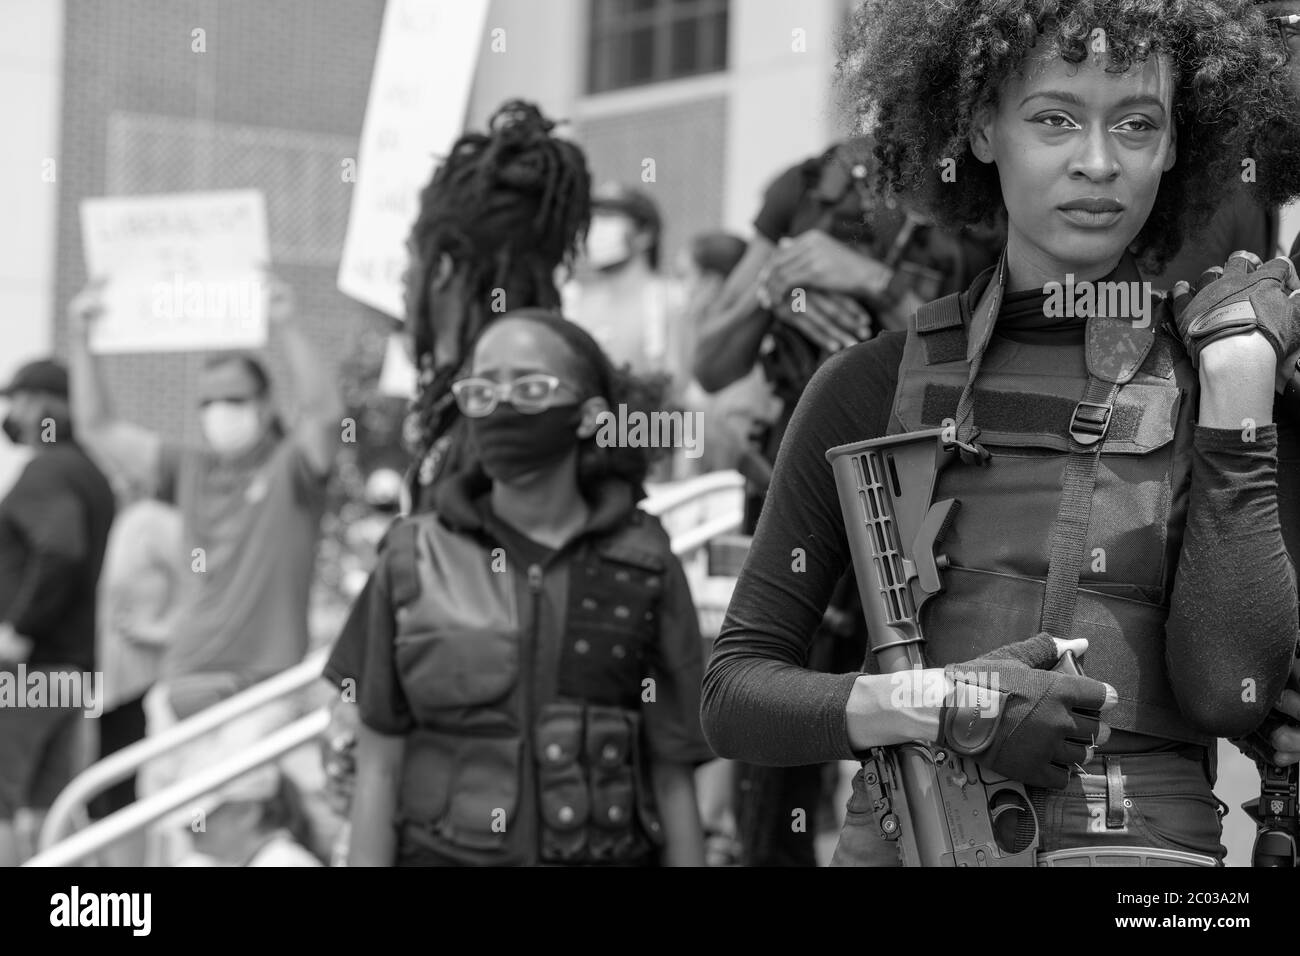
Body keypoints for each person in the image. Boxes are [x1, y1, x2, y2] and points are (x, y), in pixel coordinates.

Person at [702, 0, 1300, 867]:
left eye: (1137, 124)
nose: (1097, 163)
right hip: (912, 835)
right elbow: (736, 693)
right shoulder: (873, 385)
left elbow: (1225, 691)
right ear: (982, 128)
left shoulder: (1228, 376)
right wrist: (944, 703)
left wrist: (1241, 381)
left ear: (1175, 146)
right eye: (1053, 119)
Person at [347, 309, 710, 866]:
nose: (501, 405)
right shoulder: (410, 555)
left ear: (589, 416)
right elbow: (377, 766)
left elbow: (672, 772)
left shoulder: (645, 560)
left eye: (531, 387)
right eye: (481, 389)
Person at [322, 100, 593, 815]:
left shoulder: (500, 429)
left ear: (443, 267)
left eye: (408, 263)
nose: (402, 287)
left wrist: (362, 718)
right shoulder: (489, 412)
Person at [67, 271, 340, 721]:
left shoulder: (291, 470)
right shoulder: (188, 467)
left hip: (259, 690)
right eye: (208, 402)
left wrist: (288, 323)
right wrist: (81, 337)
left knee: (242, 793)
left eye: (232, 398)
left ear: (265, 403)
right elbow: (97, 427)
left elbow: (326, 414)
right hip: (182, 681)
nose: (219, 411)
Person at [0, 359, 115, 867]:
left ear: (45, 404)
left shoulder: (47, 470)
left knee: (4, 801)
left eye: (19, 400)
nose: (14, 413)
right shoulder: (92, 473)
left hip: (30, 668)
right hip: (71, 669)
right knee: (51, 807)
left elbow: (61, 549)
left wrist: (20, 628)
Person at [87, 496, 183, 865]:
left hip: (146, 684)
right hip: (110, 687)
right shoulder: (123, 516)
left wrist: (158, 631)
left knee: (130, 797)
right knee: (109, 796)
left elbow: (204, 584)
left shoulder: (157, 520)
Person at [184, 763, 324, 867]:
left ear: (246, 812)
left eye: (203, 815)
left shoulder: (285, 862)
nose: (191, 826)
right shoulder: (204, 861)